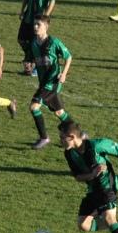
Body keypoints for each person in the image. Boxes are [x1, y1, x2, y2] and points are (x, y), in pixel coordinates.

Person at [28, 15, 73, 149]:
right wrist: (31, 65)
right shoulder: (34, 43)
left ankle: (44, 138)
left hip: (52, 82)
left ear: (46, 27)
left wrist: (64, 74)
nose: (35, 27)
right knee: (59, 113)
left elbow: (68, 57)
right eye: (35, 24)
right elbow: (37, 60)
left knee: (34, 107)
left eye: (38, 25)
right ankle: (80, 135)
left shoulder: (54, 42)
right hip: (43, 82)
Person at [18, 0, 56, 76]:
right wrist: (22, 10)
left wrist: (46, 15)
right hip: (28, 17)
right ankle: (30, 59)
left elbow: (52, 0)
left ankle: (34, 66)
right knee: (21, 39)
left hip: (39, 18)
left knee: (36, 42)